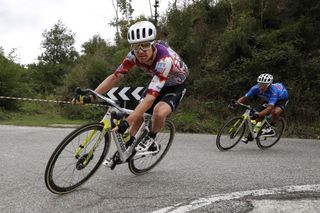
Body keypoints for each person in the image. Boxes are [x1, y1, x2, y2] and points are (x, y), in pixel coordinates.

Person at [75, 21, 188, 167]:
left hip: (175, 85)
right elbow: (115, 77)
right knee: (138, 116)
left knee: (158, 113)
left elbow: (150, 99)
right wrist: (92, 95)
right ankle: (126, 150)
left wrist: (126, 122)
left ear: (153, 44)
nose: (141, 51)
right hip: (158, 81)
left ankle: (151, 137)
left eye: (145, 45)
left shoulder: (163, 59)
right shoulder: (132, 56)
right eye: (136, 46)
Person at [229, 73, 288, 142]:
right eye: (260, 84)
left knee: (274, 112)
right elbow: (245, 97)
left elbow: (269, 108)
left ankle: (271, 127)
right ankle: (254, 133)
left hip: (281, 100)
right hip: (268, 99)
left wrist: (258, 114)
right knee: (259, 116)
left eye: (264, 85)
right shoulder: (255, 88)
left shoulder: (273, 91)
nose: (261, 87)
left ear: (269, 85)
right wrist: (236, 103)